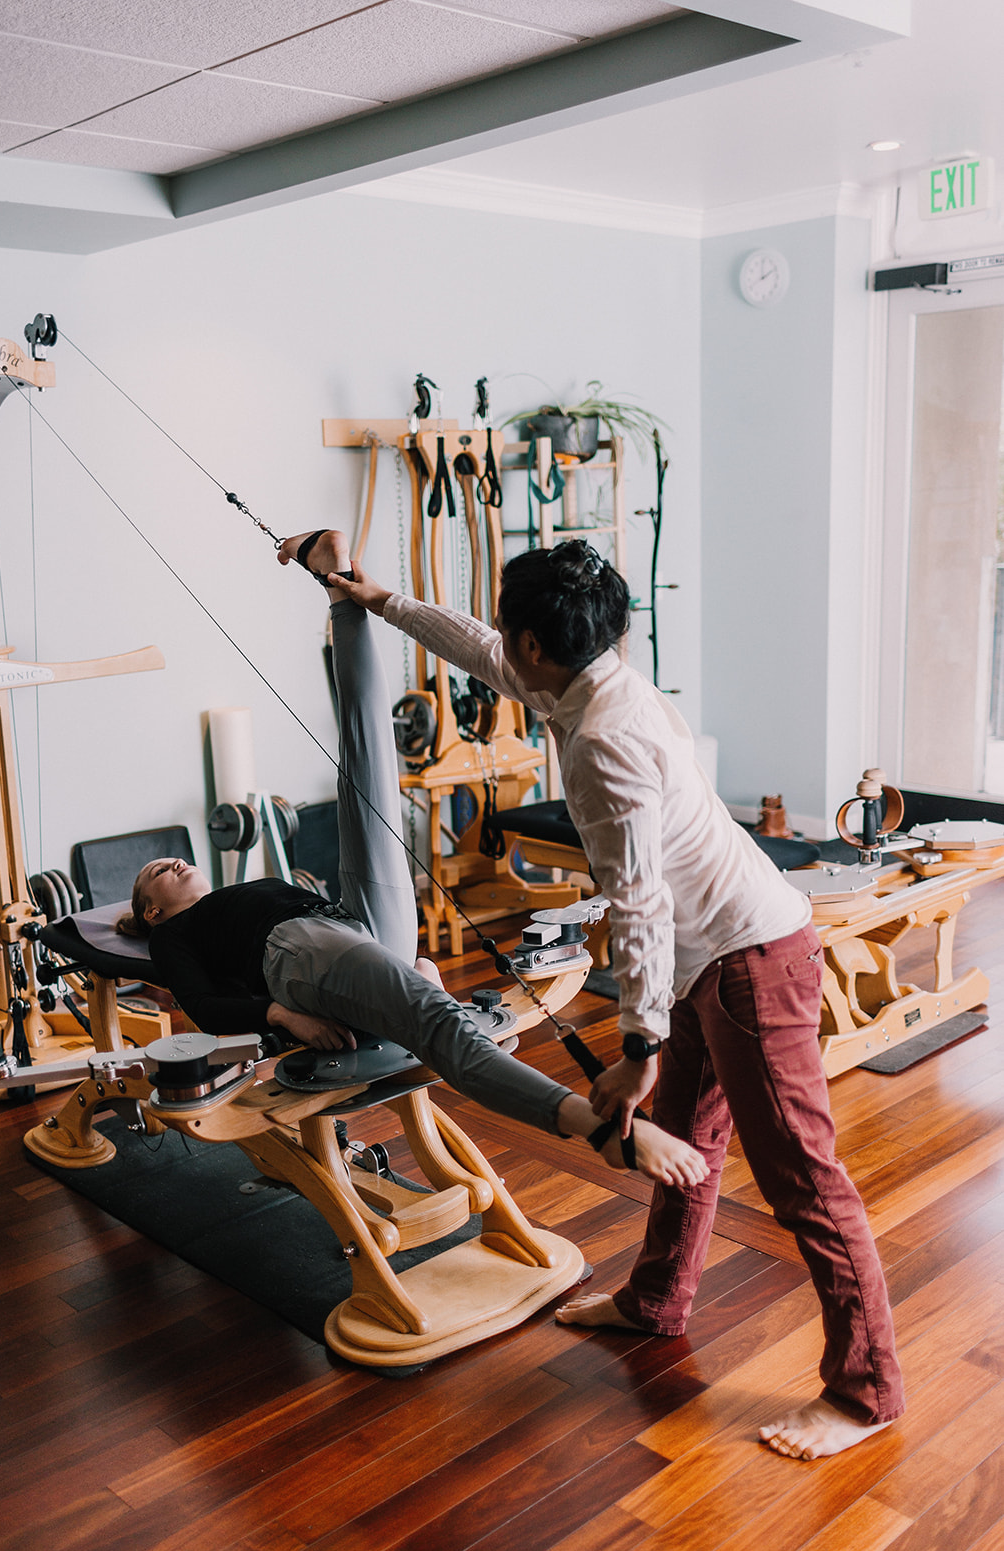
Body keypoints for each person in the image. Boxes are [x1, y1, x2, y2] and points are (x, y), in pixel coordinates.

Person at [327, 532, 905, 1462]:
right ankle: (656, 1301)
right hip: (708, 962)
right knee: (690, 1144)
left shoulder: (602, 737)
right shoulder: (583, 676)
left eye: (513, 636)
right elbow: (480, 646)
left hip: (750, 961)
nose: (503, 648)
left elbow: (638, 898)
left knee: (803, 1180)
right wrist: (381, 600)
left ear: (537, 649)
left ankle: (867, 1390)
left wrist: (635, 1051)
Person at [119, 529, 709, 1192]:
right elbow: (200, 1003)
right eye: (155, 876)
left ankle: (335, 584)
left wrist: (372, 597)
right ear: (150, 910)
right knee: (439, 1028)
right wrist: (281, 1017)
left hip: (345, 922)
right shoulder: (173, 933)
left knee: (368, 769)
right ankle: (602, 1130)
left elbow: (484, 650)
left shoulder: (596, 712)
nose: (168, 863)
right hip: (299, 957)